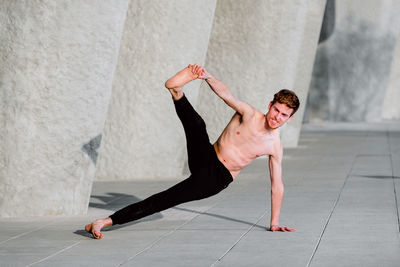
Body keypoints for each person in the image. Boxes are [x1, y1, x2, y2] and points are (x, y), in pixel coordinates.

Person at [86, 64, 299, 239]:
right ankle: (176, 92)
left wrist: (274, 223)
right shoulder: (249, 114)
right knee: (198, 125)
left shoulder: (274, 146)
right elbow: (227, 95)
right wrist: (207, 77)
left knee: (165, 199)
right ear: (270, 105)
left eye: (283, 115)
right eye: (276, 110)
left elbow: (277, 186)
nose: (276, 117)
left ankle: (104, 222)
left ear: (289, 119)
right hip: (206, 156)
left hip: (216, 179)